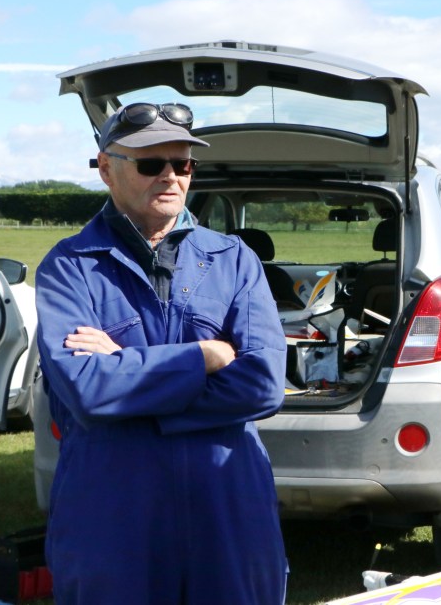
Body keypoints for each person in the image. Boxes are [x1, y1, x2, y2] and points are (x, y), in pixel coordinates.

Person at [35, 102, 288, 605]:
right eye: (151, 163)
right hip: (113, 514)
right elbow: (88, 390)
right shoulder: (68, 268)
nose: (170, 176)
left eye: (183, 164)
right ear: (106, 168)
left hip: (227, 509)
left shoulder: (234, 259)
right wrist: (206, 357)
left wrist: (128, 376)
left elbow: (262, 383)